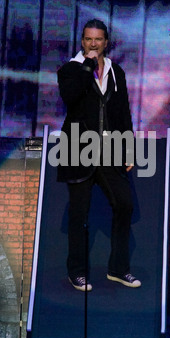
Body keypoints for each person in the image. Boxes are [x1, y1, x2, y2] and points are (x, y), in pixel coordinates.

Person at [57, 19, 141, 292]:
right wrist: (88, 67)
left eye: (98, 39)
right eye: (88, 39)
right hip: (78, 149)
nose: (93, 44)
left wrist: (128, 148)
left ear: (106, 42)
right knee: (80, 214)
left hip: (109, 149)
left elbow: (123, 113)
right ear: (82, 41)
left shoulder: (117, 72)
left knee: (124, 204)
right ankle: (76, 272)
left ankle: (118, 269)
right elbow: (70, 97)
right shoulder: (70, 69)